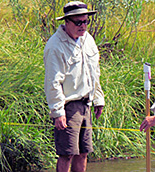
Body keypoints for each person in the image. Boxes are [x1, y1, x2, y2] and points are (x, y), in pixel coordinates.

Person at [43, 1, 104, 172]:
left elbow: (94, 72)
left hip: (86, 104)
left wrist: (98, 98)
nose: (83, 26)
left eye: (86, 21)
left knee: (83, 152)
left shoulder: (88, 39)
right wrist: (58, 112)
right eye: (78, 22)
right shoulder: (55, 46)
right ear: (67, 22)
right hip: (68, 107)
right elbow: (52, 82)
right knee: (67, 154)